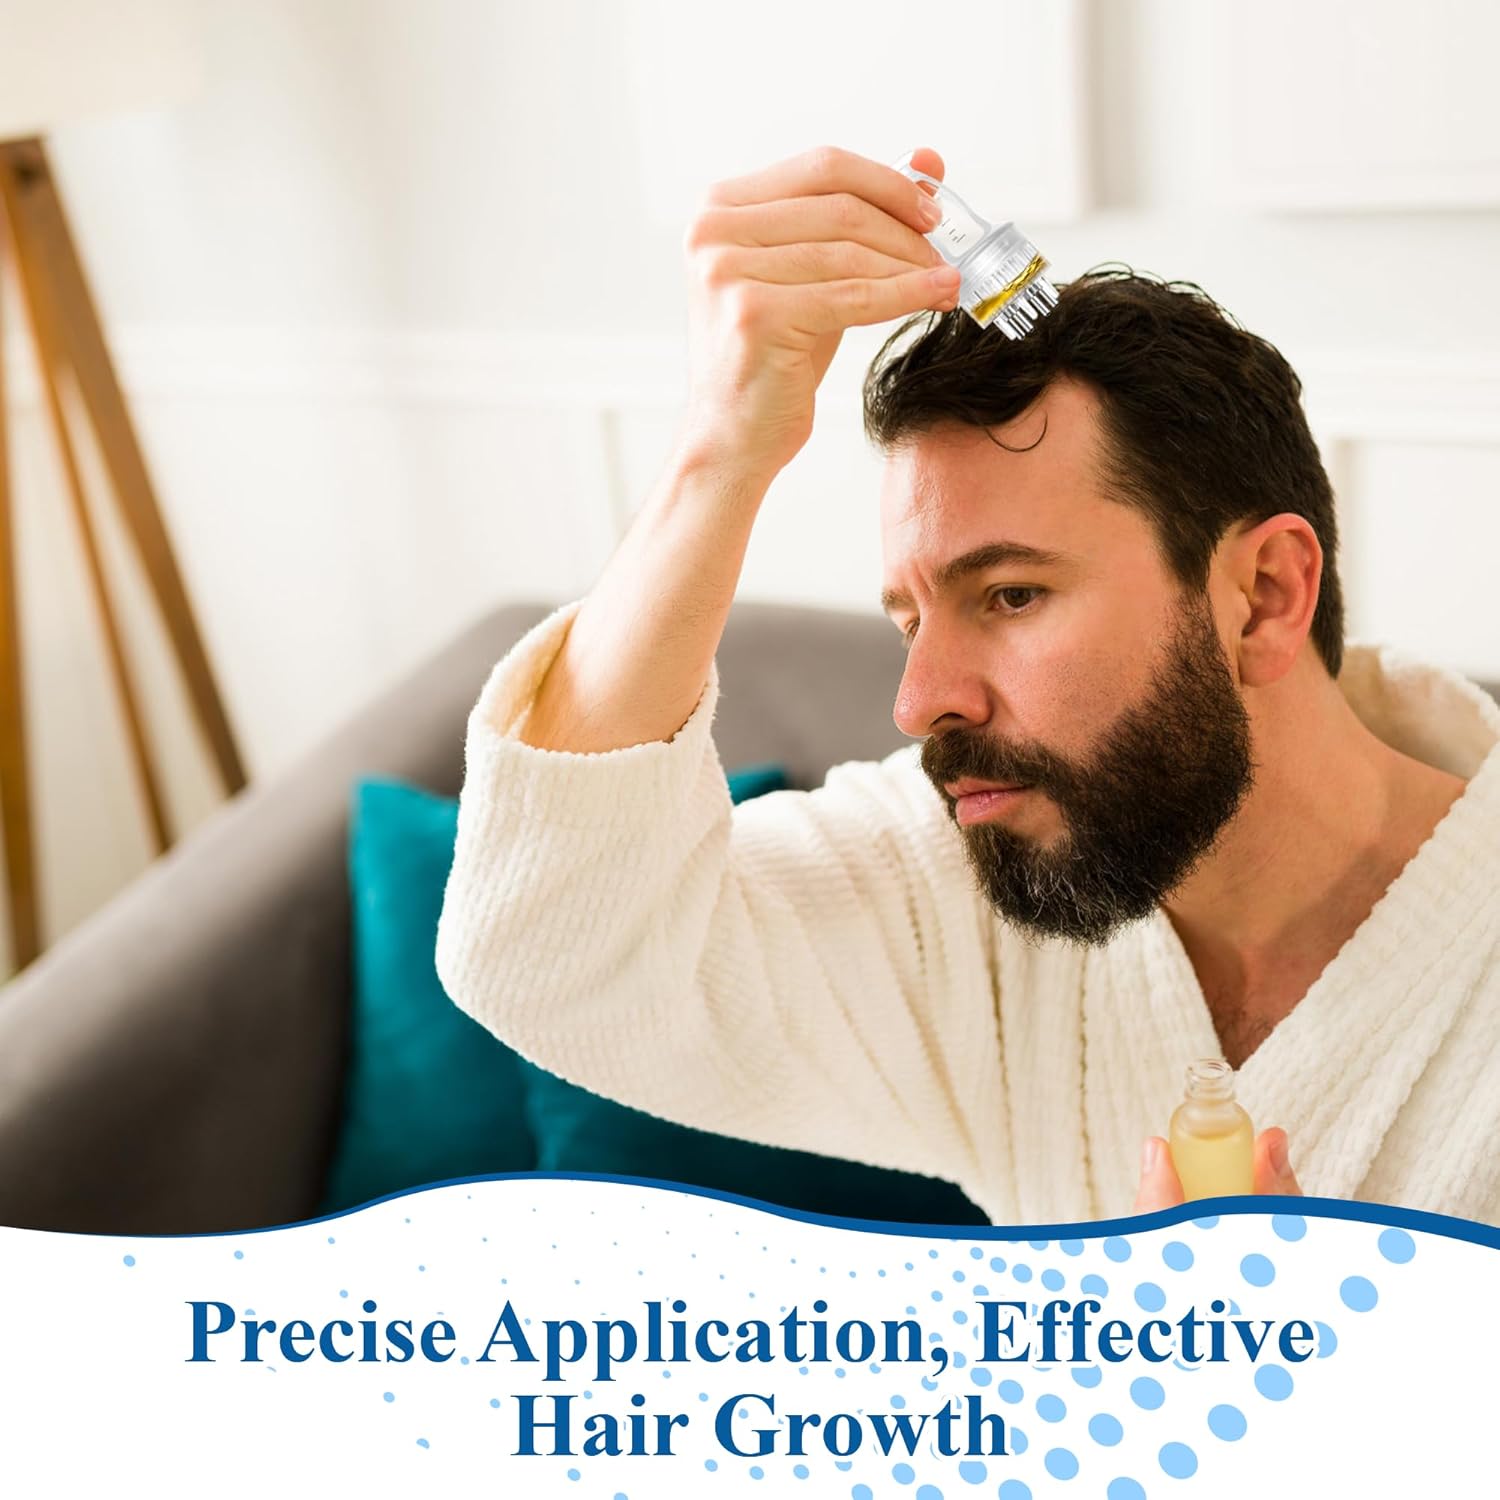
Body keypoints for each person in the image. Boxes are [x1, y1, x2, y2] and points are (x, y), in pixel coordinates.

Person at [434, 145, 1500, 1225]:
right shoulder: (986, 883)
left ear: (1263, 595)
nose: (918, 704)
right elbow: (551, 954)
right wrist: (721, 450)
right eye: (910, 620)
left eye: (1010, 595)